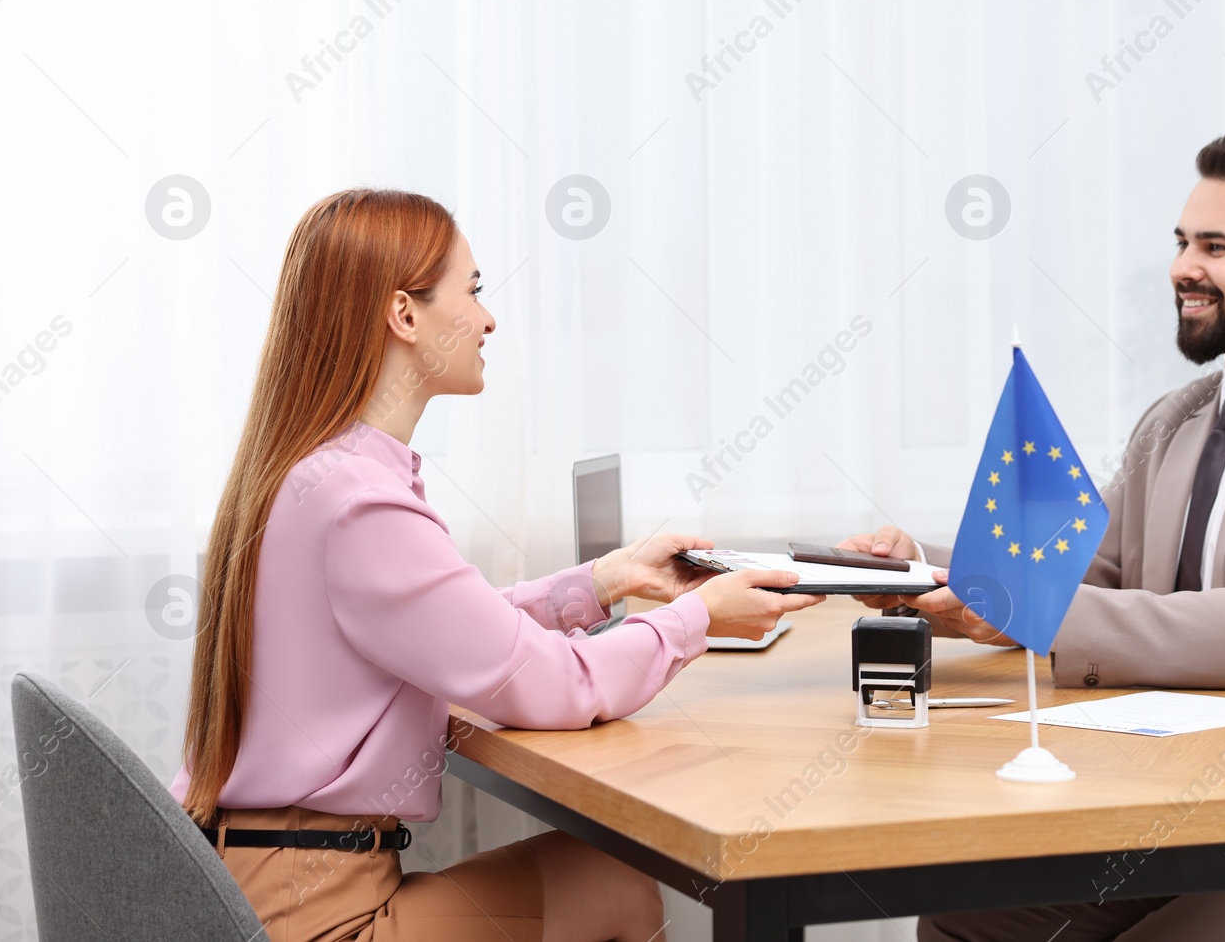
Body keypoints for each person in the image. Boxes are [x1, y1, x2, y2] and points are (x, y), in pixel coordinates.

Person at [841, 128, 1225, 942]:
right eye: (1181, 242)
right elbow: (1078, 574)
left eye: (1215, 245)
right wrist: (924, 576)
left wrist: (1031, 607)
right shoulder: (1174, 423)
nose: (1182, 266)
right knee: (966, 921)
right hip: (1181, 807)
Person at [172, 188, 824, 942]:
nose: (488, 318)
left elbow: (460, 628)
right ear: (404, 315)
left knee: (608, 874)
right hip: (317, 916)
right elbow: (557, 685)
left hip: (259, 883)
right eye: (474, 291)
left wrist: (606, 580)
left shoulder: (321, 474)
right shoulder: (359, 504)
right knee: (616, 880)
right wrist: (696, 619)